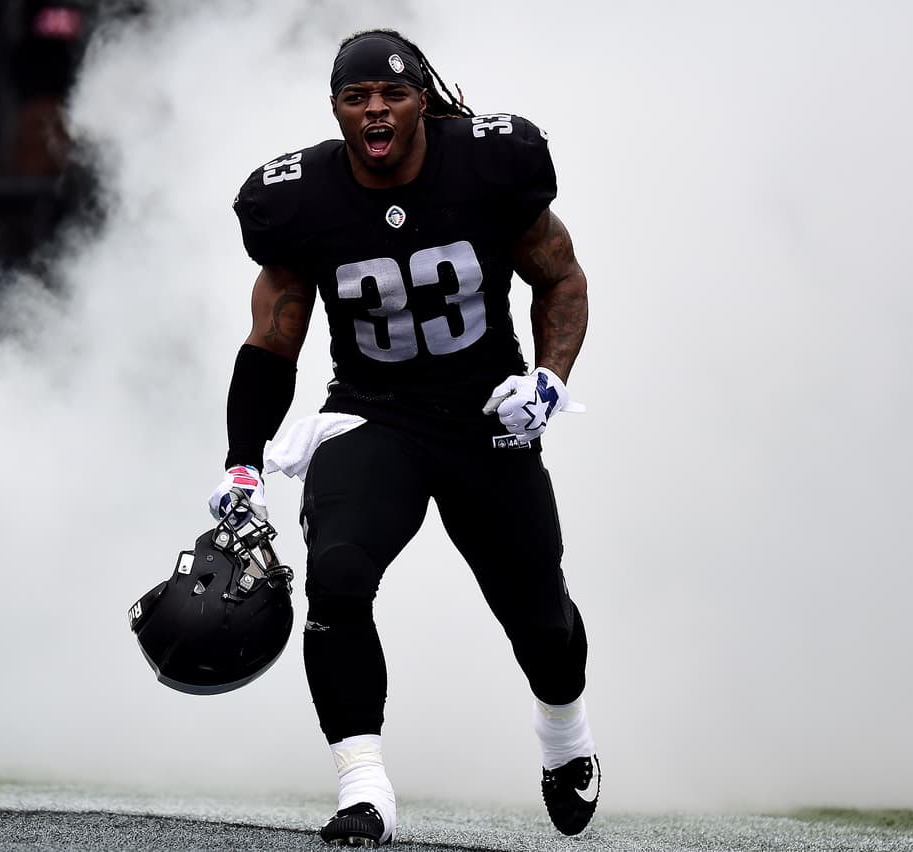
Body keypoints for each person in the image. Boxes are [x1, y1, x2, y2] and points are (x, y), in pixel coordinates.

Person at [209, 28, 598, 847]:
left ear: (423, 98)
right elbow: (272, 339)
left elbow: (560, 275)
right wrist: (244, 462)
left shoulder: (488, 163)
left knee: (541, 621)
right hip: (372, 409)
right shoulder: (302, 197)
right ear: (337, 109)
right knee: (339, 576)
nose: (375, 110)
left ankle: (566, 741)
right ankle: (365, 789)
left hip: (485, 411)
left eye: (391, 94)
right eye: (357, 98)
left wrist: (548, 382)